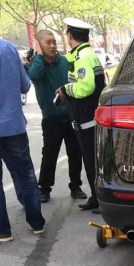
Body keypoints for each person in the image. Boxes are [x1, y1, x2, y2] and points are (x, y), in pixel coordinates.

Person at [25, 29, 87, 203]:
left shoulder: (65, 62)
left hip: (71, 116)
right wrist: (39, 56)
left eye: (54, 42)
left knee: (75, 153)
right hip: (51, 119)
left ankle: (76, 186)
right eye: (47, 43)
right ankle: (44, 188)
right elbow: (33, 76)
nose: (52, 46)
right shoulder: (36, 65)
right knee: (49, 154)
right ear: (39, 45)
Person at [55, 18, 106, 213]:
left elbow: (85, 87)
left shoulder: (83, 57)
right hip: (89, 117)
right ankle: (96, 197)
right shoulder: (86, 54)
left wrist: (65, 89)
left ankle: (99, 199)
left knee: (92, 161)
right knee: (92, 160)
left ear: (69, 36)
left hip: (87, 119)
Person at [0, 39, 45, 243]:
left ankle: (3, 231)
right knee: (26, 175)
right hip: (14, 126)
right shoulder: (8, 48)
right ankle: (36, 223)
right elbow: (25, 86)